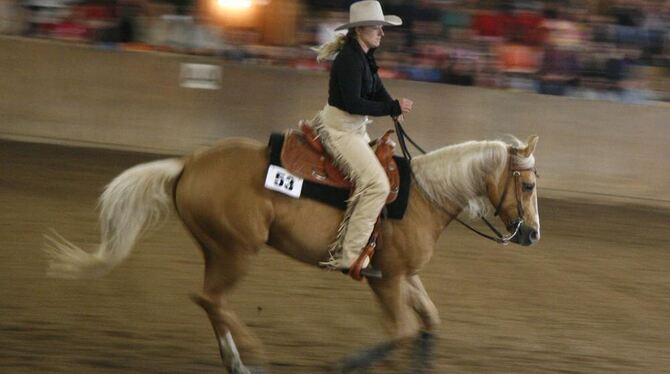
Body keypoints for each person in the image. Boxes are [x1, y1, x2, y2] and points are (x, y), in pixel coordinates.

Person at [312, 0, 413, 279]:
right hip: (339, 130)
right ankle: (350, 256)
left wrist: (392, 106)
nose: (382, 32)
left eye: (382, 27)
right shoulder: (348, 60)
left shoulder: (363, 55)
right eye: (377, 27)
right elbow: (355, 104)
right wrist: (391, 109)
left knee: (382, 173)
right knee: (377, 184)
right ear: (360, 30)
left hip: (353, 129)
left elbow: (377, 88)